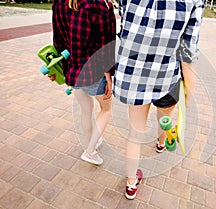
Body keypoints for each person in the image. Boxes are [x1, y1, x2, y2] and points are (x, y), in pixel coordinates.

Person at [114, 0, 204, 200]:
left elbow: (124, 25)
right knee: (165, 117)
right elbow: (188, 51)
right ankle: (161, 144)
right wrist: (188, 96)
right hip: (167, 75)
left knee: (135, 131)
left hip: (134, 72)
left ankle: (131, 184)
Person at [52, 0, 116, 165]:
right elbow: (106, 45)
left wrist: (58, 68)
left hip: (71, 70)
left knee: (86, 109)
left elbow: (58, 40)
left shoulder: (59, 2)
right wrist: (109, 74)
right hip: (93, 71)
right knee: (106, 110)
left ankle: (93, 144)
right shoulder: (101, 5)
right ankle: (90, 151)